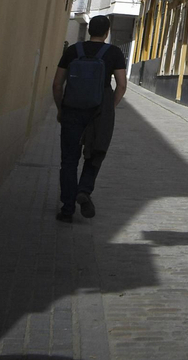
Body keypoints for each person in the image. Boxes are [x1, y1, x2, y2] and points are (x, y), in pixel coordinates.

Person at [51, 13, 127, 222]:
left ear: (89, 30)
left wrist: (60, 109)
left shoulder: (73, 50)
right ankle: (84, 190)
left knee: (68, 160)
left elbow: (57, 84)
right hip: (98, 112)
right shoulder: (113, 53)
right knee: (95, 154)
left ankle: (67, 209)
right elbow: (121, 85)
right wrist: (108, 109)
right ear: (106, 32)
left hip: (72, 110)